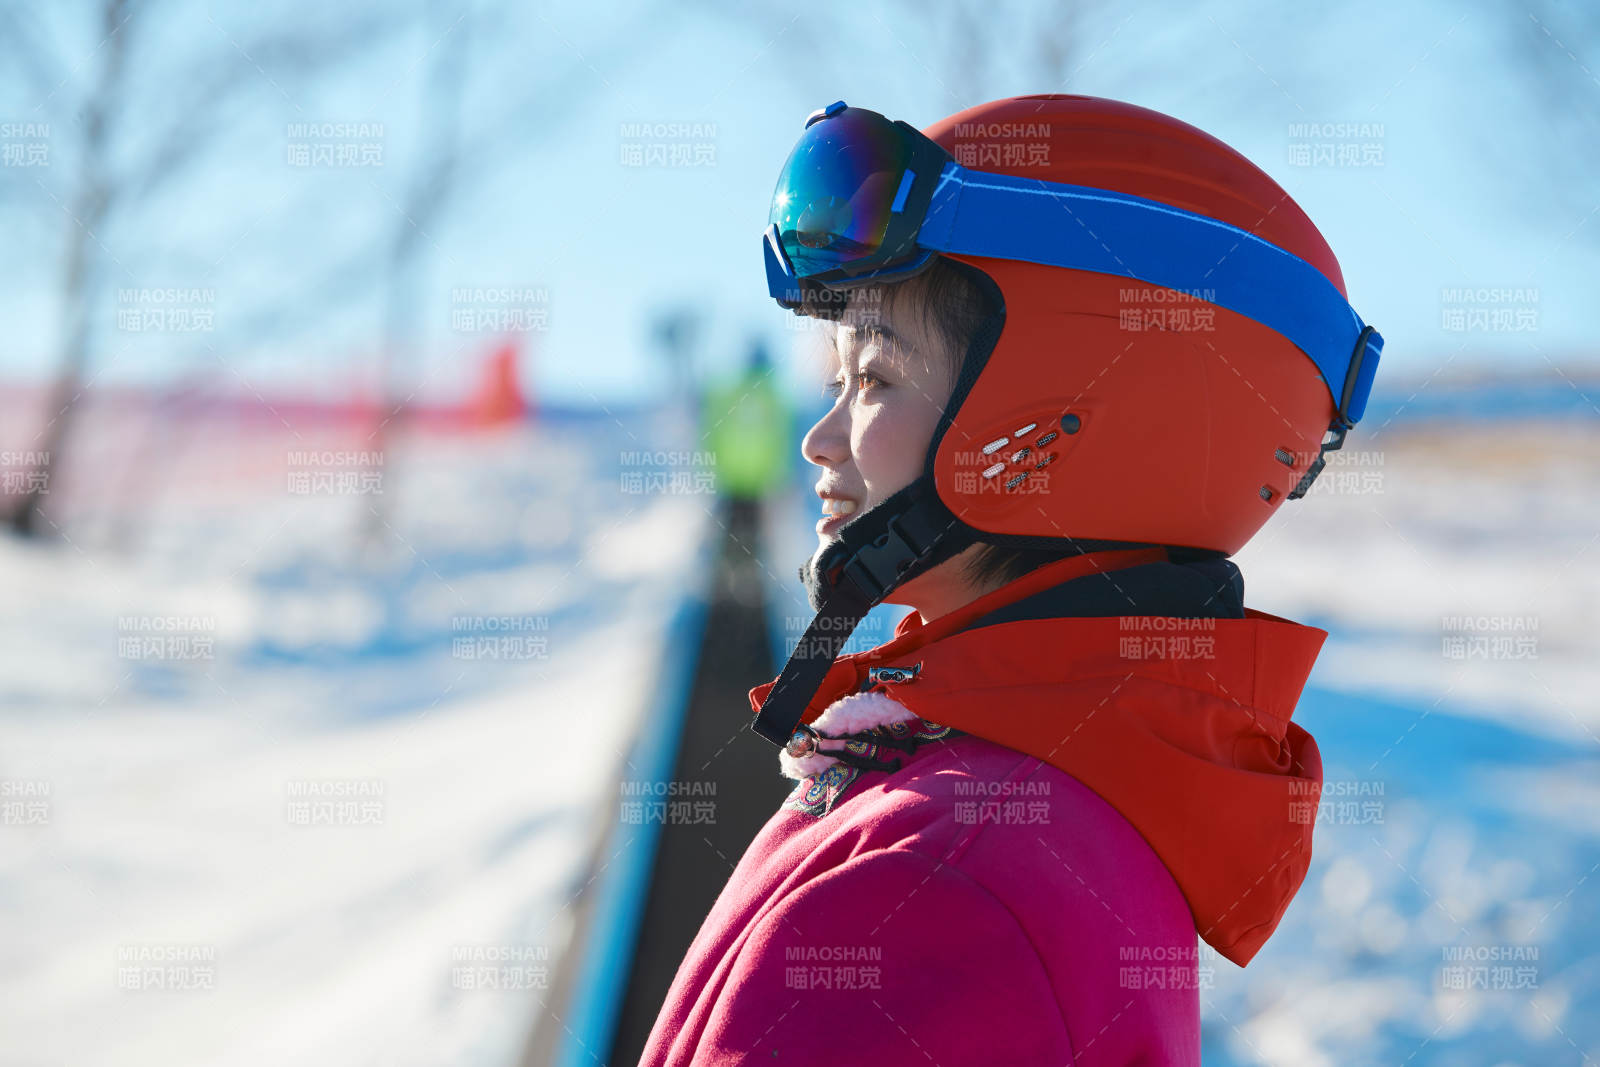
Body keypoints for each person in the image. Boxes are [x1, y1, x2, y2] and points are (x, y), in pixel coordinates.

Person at [639, 94, 1383, 1065]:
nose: (819, 439)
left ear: (1061, 420)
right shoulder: (1034, 809)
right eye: (835, 382)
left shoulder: (932, 890)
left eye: (873, 379)